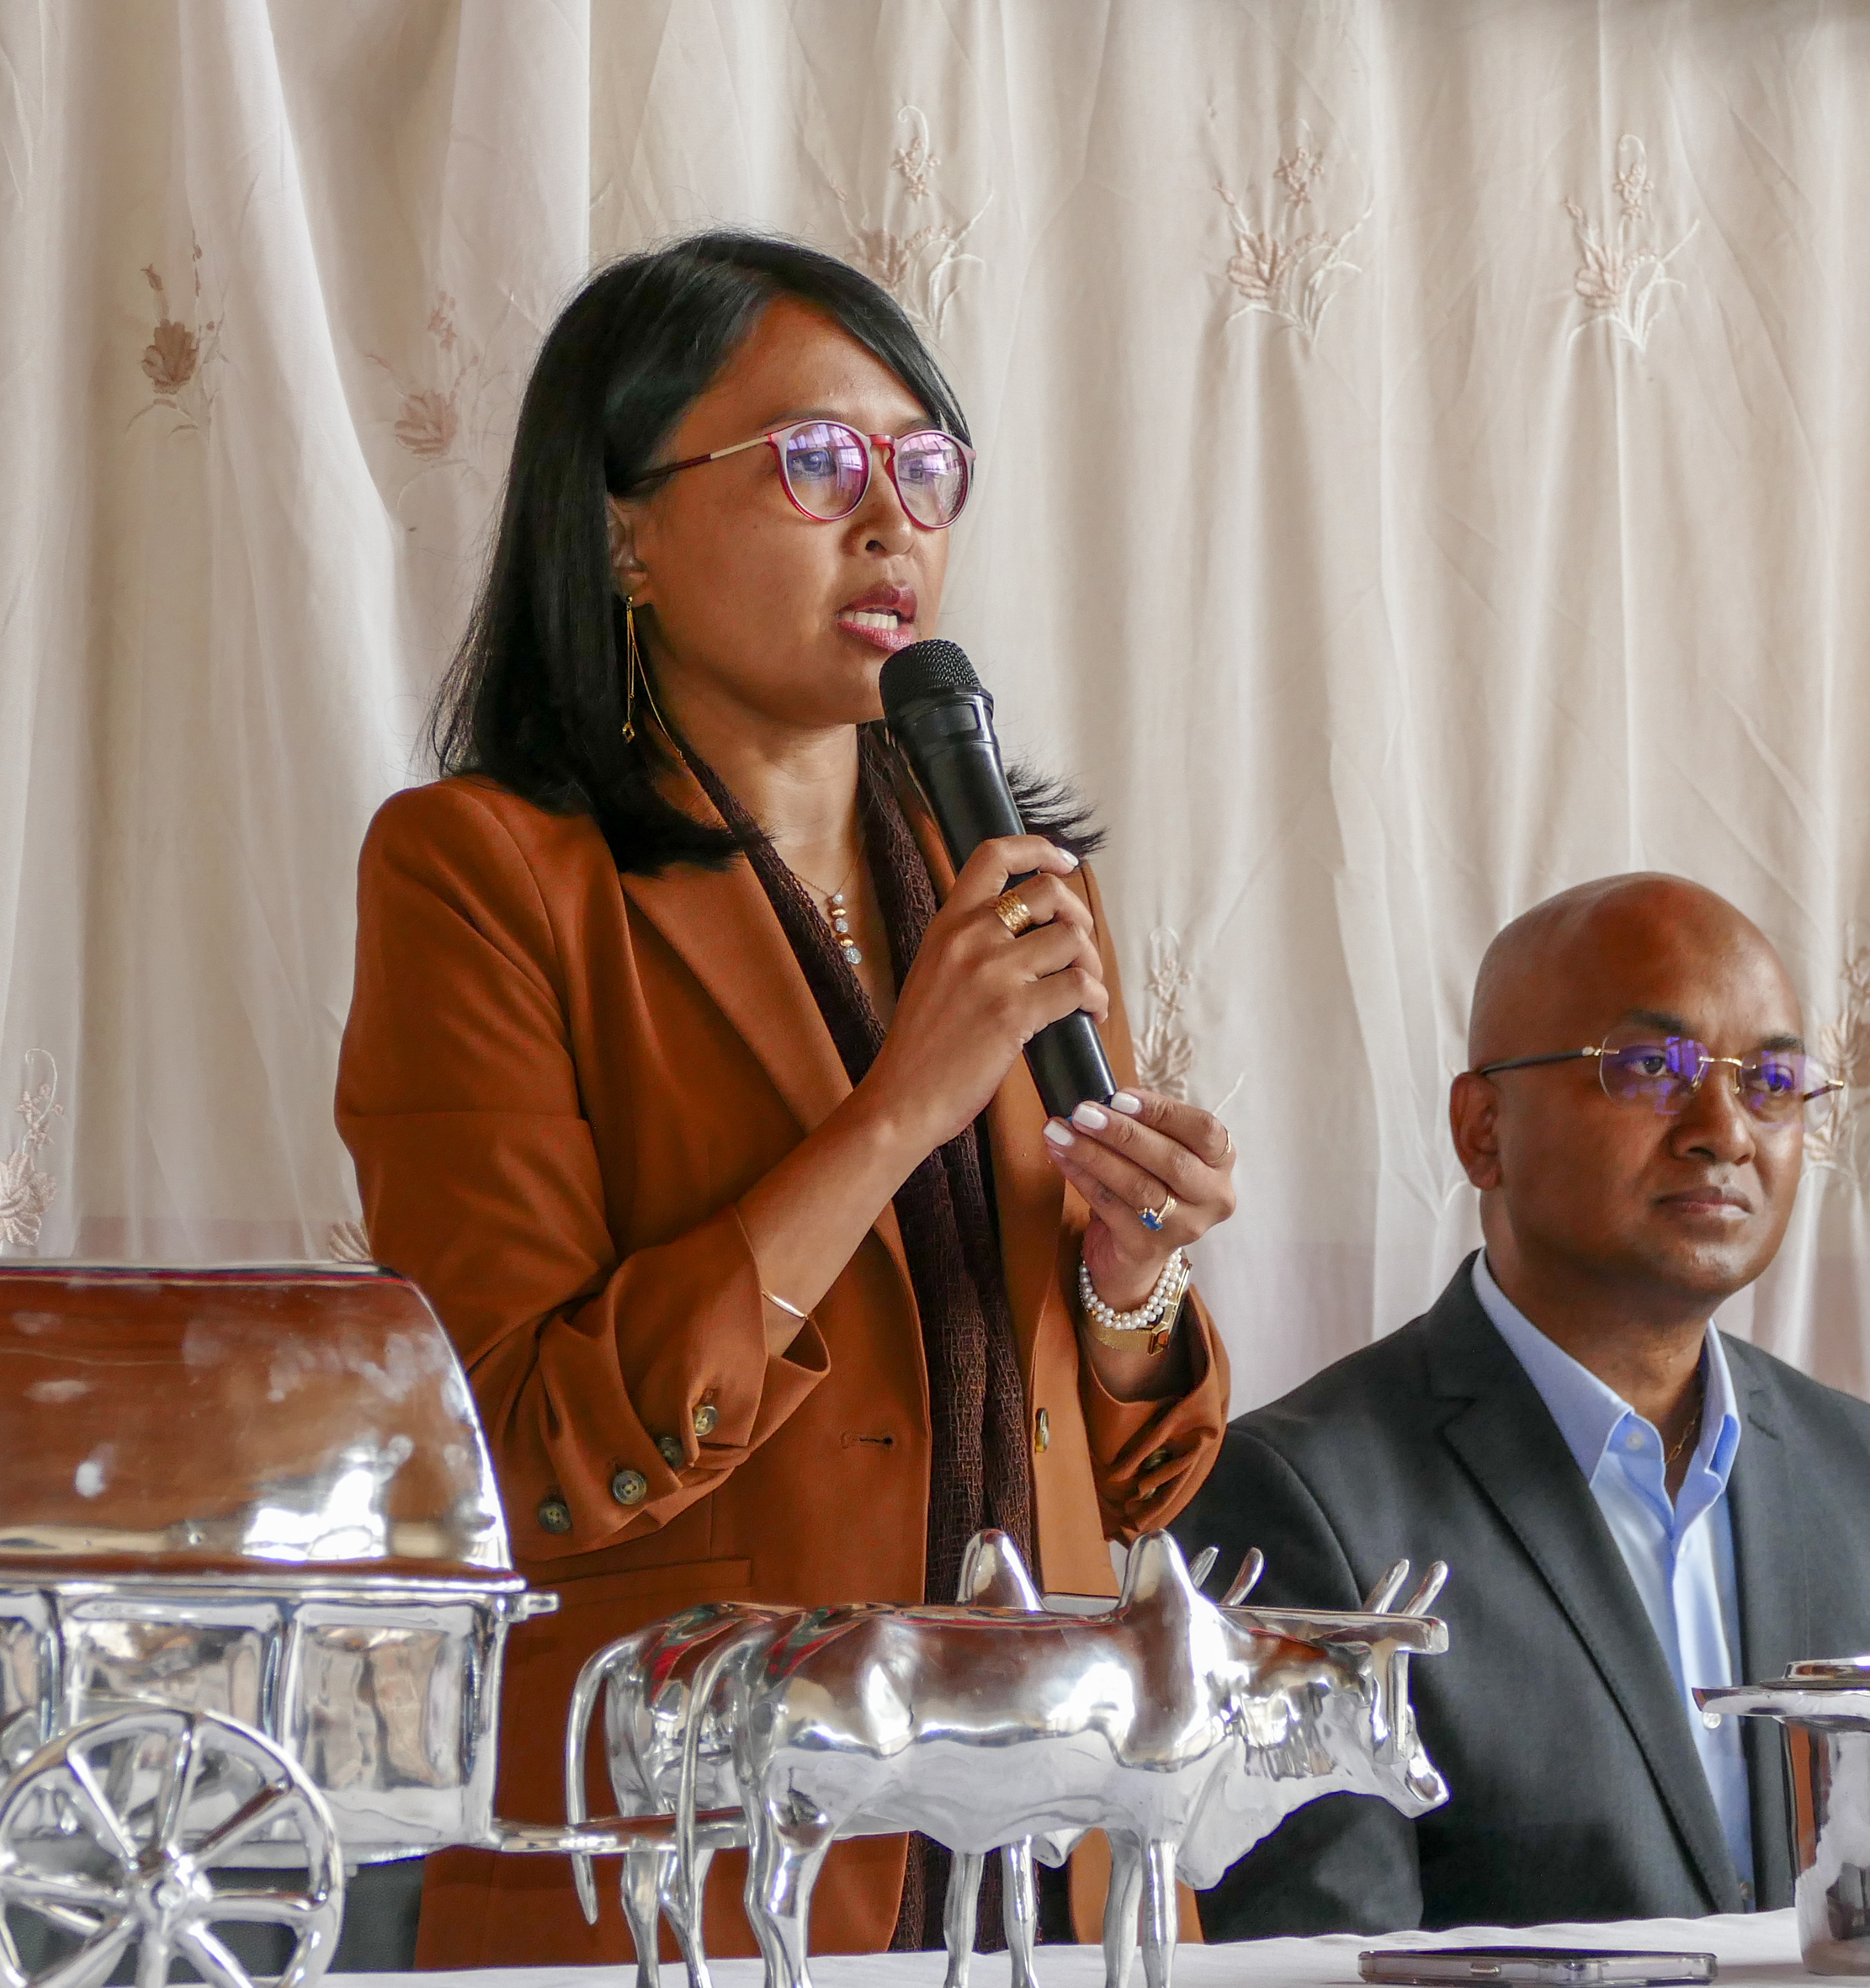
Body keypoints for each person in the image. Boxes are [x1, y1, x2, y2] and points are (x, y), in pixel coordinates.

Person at [337, 231, 1240, 1969]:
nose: (890, 520)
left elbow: (1129, 1481)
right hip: (690, 1871)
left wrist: (1134, 1285)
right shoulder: (484, 874)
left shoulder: (1018, 895)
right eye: (816, 461)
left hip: (1063, 1872)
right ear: (625, 531)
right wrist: (892, 1113)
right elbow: (521, 1452)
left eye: (925, 466)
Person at [1174, 875, 1870, 1935]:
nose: (1725, 1131)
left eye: (1772, 1081)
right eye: (1651, 1067)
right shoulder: (1305, 1499)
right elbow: (1330, 1962)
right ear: (1483, 1129)